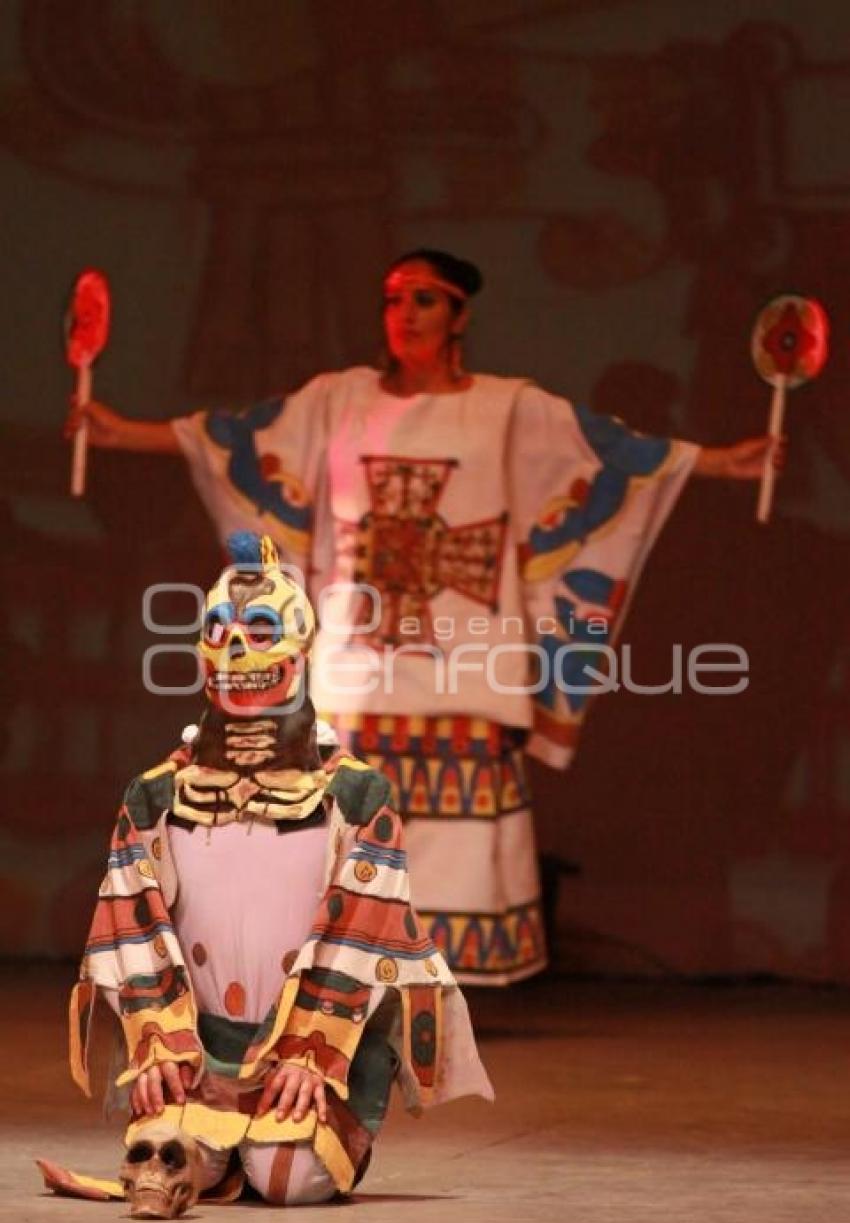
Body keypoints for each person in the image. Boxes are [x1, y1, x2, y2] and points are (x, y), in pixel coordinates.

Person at [67, 248, 780, 987]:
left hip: (462, 654)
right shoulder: (339, 400)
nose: (405, 315)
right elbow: (235, 441)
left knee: (455, 824)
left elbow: (612, 458)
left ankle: (440, 982)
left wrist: (730, 461)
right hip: (358, 657)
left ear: (460, 315)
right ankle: (344, 974)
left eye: (426, 300)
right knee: (342, 812)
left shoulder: (507, 406)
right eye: (394, 299)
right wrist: (120, 431)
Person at [40, 532, 492, 1214]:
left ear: (299, 650)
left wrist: (315, 1049)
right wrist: (157, 1042)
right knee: (165, 1144)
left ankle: (257, 1144)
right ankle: (209, 1144)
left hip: (310, 1039)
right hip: (203, 1041)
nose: (236, 651)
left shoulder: (353, 796)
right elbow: (130, 927)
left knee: (289, 1178)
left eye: (258, 631)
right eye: (219, 632)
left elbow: (365, 937)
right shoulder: (158, 793)